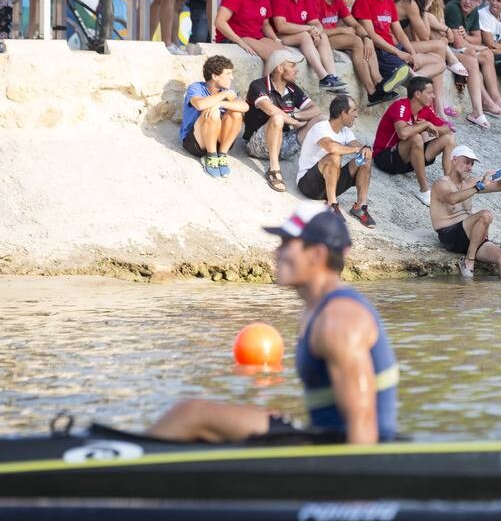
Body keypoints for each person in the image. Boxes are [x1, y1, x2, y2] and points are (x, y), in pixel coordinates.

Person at [148, 201, 398, 443]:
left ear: (317, 254)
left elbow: (364, 426)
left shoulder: (338, 320)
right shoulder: (317, 310)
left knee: (193, 414)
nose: (276, 252)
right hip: (323, 439)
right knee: (204, 415)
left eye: (286, 243)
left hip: (349, 457)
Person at [396, 0, 490, 126]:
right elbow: (426, 36)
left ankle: (440, 106)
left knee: (441, 58)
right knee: (441, 48)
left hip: (408, 45)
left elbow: (473, 38)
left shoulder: (413, 3)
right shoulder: (413, 4)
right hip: (398, 47)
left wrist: (451, 34)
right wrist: (426, 10)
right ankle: (438, 106)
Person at [353, 0, 435, 101]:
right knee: (419, 86)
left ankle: (406, 78)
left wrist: (410, 51)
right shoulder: (363, 1)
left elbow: (400, 33)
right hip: (381, 51)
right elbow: (371, 35)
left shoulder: (389, 2)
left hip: (394, 48)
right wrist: (398, 52)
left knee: (438, 61)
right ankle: (397, 82)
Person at [243, 49, 324, 192]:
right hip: (257, 144)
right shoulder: (258, 86)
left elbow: (315, 110)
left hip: (284, 144)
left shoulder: (292, 88)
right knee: (277, 118)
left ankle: (315, 166)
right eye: (292, 66)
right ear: (280, 68)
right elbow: (269, 109)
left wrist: (294, 116)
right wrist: (294, 123)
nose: (296, 70)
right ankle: (274, 170)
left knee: (320, 119)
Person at [430, 146, 501, 280]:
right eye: (466, 162)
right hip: (450, 236)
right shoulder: (441, 183)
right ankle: (469, 261)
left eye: (472, 164)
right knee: (485, 214)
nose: (469, 167)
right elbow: (452, 199)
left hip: (473, 237)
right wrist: (479, 186)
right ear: (454, 160)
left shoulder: (471, 182)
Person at [308, 0, 389, 105]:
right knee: (356, 41)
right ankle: (372, 91)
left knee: (364, 40)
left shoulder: (337, 0)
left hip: (333, 38)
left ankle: (378, 82)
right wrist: (342, 30)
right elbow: (315, 31)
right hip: (319, 41)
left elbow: (356, 24)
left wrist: (367, 37)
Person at [372, 75, 455, 204]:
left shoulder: (425, 109)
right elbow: (403, 134)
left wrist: (430, 127)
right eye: (429, 93)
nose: (433, 96)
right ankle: (424, 190)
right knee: (415, 138)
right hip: (385, 158)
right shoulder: (401, 106)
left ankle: (449, 185)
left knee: (449, 139)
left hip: (407, 161)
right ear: (417, 94)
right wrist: (424, 125)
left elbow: (446, 129)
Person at [297, 95, 376, 226]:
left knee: (365, 159)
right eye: (353, 111)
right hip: (309, 185)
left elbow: (356, 143)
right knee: (334, 156)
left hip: (332, 182)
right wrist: (357, 149)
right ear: (342, 113)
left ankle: (360, 208)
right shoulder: (321, 127)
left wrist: (365, 148)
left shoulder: (345, 131)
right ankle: (332, 205)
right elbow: (331, 146)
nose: (356, 115)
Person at [444, 0, 501, 119]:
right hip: (449, 51)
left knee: (487, 53)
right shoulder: (454, 7)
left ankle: (496, 99)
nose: (467, 2)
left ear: (479, 1)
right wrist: (478, 46)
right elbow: (458, 43)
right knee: (479, 53)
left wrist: (468, 38)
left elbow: (476, 38)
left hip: (461, 50)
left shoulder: (474, 11)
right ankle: (487, 102)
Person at [270, 0, 346, 90]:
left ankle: (332, 77)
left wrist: (316, 31)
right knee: (305, 36)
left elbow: (315, 22)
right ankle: (323, 77)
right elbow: (281, 26)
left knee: (322, 36)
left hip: (299, 36)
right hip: (279, 37)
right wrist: (308, 29)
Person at [180, 54, 250, 178]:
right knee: (213, 113)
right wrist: (223, 97)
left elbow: (245, 107)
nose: (232, 78)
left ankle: (222, 154)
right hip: (196, 142)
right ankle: (211, 157)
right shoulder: (196, 87)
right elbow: (200, 105)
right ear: (215, 76)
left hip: (218, 140)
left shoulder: (227, 91)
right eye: (228, 74)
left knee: (236, 113)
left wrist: (220, 103)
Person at [214, 0, 285, 65]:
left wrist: (275, 39)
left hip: (255, 37)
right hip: (235, 38)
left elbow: (265, 25)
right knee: (275, 58)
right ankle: (265, 82)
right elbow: (219, 22)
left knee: (285, 56)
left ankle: (273, 80)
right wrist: (240, 41)